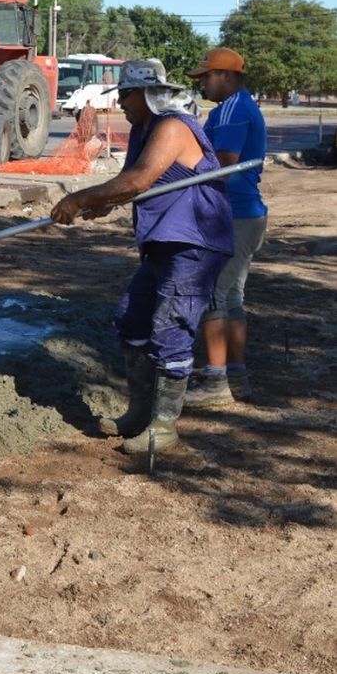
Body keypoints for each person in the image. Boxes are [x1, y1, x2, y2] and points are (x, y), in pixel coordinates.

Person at [50, 59, 234, 453]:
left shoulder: (172, 126)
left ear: (146, 94)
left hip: (194, 242)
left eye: (125, 96)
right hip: (163, 241)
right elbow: (130, 187)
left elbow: (139, 178)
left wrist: (78, 198)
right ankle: (139, 411)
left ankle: (164, 428)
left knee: (171, 328)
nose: (120, 104)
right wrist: (102, 205)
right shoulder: (142, 129)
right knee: (131, 319)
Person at [185, 47, 267, 407]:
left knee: (215, 294)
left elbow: (224, 163)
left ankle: (216, 383)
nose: (202, 83)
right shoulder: (233, 107)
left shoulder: (234, 107)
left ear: (227, 76)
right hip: (243, 214)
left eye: (207, 76)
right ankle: (236, 376)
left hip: (234, 214)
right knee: (231, 295)